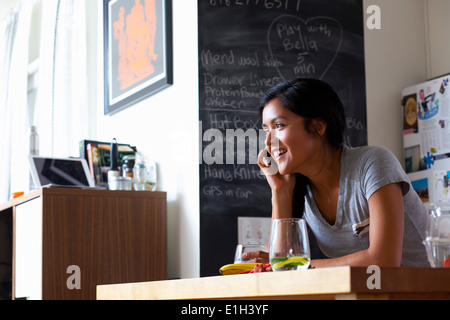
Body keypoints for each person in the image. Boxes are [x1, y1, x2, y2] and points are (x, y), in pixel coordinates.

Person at [253, 78, 429, 267]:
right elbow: (278, 267)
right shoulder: (300, 190)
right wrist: (280, 192)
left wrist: (300, 265)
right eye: (266, 130)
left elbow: (384, 261)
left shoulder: (373, 162)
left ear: (318, 127)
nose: (268, 141)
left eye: (278, 126)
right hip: (369, 295)